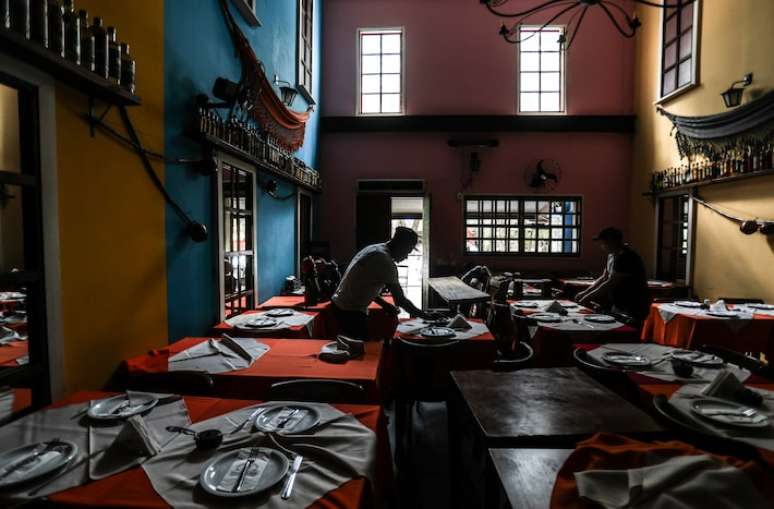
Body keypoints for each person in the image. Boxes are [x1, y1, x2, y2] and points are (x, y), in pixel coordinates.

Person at [331, 227, 441, 339]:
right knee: (359, 350)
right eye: (407, 252)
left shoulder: (373, 249)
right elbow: (400, 300)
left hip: (341, 304)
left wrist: (385, 305)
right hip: (350, 311)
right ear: (401, 246)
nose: (406, 257)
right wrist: (426, 316)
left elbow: (364, 284)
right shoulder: (385, 261)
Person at [575, 227, 650, 324]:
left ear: (612, 241)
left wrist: (587, 298)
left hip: (632, 304)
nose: (602, 246)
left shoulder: (627, 257)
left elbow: (611, 282)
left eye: (603, 243)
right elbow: (604, 277)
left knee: (626, 332)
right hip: (618, 303)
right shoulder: (612, 255)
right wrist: (585, 292)